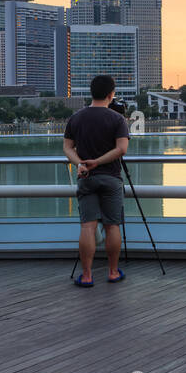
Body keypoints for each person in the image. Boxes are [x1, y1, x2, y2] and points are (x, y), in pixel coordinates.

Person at [63, 74, 130, 287]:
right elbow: (122, 149)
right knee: (112, 226)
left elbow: (67, 147)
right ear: (111, 94)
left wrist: (81, 164)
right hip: (111, 177)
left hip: (87, 178)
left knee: (87, 227)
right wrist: (98, 162)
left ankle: (87, 275)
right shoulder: (117, 119)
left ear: (91, 93)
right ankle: (112, 272)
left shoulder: (76, 118)